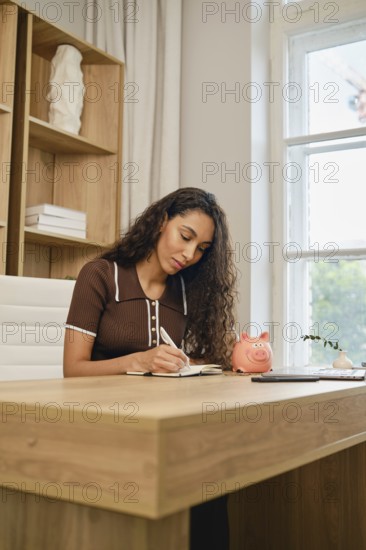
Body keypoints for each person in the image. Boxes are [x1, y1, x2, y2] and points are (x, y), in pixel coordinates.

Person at [63, 187, 237, 377]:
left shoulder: (187, 289)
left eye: (201, 249)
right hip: (102, 404)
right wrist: (139, 361)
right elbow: (73, 369)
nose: (189, 255)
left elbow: (206, 358)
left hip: (161, 404)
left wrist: (232, 353)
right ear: (161, 222)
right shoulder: (100, 275)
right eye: (185, 237)